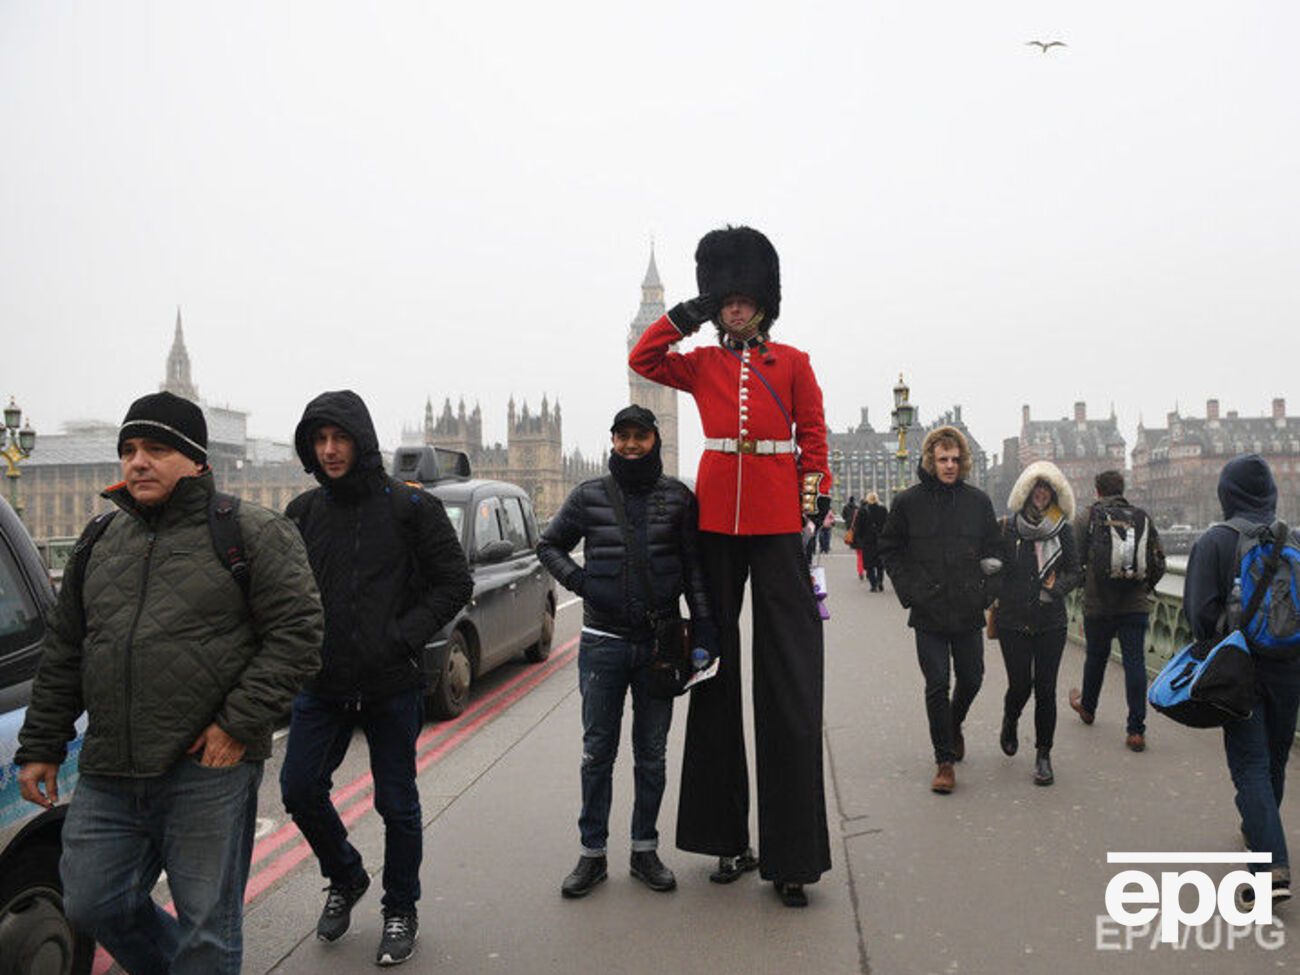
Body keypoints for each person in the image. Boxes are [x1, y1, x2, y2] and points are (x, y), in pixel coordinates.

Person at [16, 391, 323, 975]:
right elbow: (65, 650)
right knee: (91, 901)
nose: (138, 462)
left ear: (197, 460)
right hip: (110, 767)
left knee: (208, 927)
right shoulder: (98, 538)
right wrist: (43, 743)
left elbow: (299, 635)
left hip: (205, 767)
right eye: (129, 449)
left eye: (156, 449)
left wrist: (236, 725)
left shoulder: (252, 531)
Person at [629, 225, 832, 908]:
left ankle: (792, 854)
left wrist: (810, 503)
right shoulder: (702, 363)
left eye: (743, 297)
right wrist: (688, 311)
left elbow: (813, 440)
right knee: (714, 672)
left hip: (775, 522)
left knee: (788, 680)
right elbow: (644, 355)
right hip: (717, 520)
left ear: (762, 302)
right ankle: (725, 837)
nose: (735, 307)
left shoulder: (794, 363)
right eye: (726, 298)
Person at [279, 390, 472, 967]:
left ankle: (400, 908)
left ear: (361, 441)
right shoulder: (302, 513)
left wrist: (400, 636)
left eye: (339, 438)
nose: (329, 450)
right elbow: (280, 595)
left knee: (397, 804)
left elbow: (454, 582)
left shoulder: (411, 507)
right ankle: (346, 873)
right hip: (323, 683)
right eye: (319, 440)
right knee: (298, 789)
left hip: (391, 682)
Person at [537, 405, 715, 899]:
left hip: (660, 644)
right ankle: (592, 854)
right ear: (613, 441)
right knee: (597, 753)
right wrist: (583, 583)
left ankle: (644, 850)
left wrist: (705, 631)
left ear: (655, 439)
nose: (631, 444)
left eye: (640, 435)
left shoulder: (678, 498)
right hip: (604, 644)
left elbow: (695, 571)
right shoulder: (588, 495)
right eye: (623, 436)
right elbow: (549, 545)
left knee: (651, 755)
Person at [1183, 454, 1298, 911]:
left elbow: (1198, 614)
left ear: (1226, 494)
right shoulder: (1292, 539)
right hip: (1289, 666)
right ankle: (1259, 829)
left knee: (1250, 764)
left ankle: (1270, 869)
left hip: (1240, 667)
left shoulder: (1216, 541)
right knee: (1273, 760)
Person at [878, 425, 1001, 794]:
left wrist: (985, 594)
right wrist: (910, 592)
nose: (949, 465)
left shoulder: (978, 503)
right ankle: (944, 761)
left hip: (967, 607)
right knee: (936, 684)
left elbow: (996, 553)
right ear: (931, 461)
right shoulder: (908, 503)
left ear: (963, 462)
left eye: (955, 459)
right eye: (943, 459)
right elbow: (890, 548)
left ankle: (953, 723)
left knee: (972, 678)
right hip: (928, 610)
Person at [993, 462, 1081, 786]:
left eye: (1047, 488)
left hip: (1050, 621)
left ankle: (1044, 755)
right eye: (1036, 487)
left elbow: (1075, 571)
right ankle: (1011, 718)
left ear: (1055, 494)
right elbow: (996, 568)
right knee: (1020, 685)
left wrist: (1055, 590)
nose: (1041, 493)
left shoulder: (1063, 529)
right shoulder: (1008, 528)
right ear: (1026, 491)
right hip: (1013, 620)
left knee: (1046, 689)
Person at [1068, 469, 1166, 751]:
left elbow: (1073, 560)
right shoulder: (1142, 517)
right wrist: (1144, 587)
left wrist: (1086, 584)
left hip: (1098, 603)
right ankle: (1136, 730)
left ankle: (1088, 708)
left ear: (1097, 491)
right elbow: (1158, 561)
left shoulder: (1087, 517)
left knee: (1096, 657)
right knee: (1134, 662)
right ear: (1123, 490)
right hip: (1134, 604)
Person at [851, 491, 889, 589]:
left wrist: (860, 540)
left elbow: (858, 527)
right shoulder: (883, 509)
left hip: (867, 541)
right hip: (880, 540)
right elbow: (888, 525)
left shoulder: (862, 511)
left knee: (869, 564)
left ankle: (873, 584)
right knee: (880, 563)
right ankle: (880, 581)